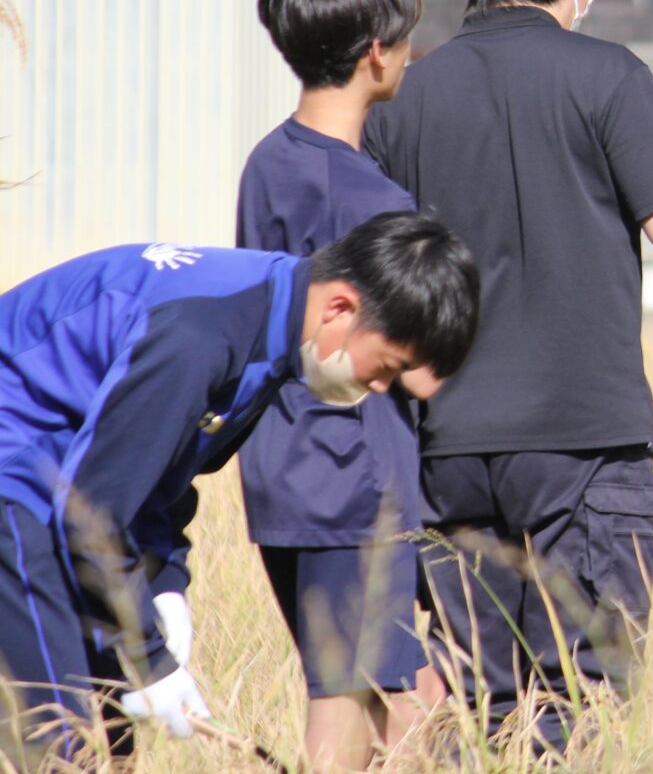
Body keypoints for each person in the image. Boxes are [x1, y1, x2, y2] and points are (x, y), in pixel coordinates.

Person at [362, 0, 653, 743]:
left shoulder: (406, 94)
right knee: (586, 695)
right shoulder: (607, 74)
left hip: (447, 443)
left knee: (479, 700)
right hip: (584, 443)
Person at [0, 214, 478, 766]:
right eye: (387, 368)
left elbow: (160, 471)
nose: (378, 388)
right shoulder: (202, 333)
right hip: (19, 489)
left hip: (60, 491)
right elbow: (92, 515)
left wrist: (165, 580)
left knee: (114, 727)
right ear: (341, 308)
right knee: (62, 743)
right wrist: (149, 659)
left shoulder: (272, 320)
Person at [234, 0, 435, 769]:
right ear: (376, 54)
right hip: (353, 477)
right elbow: (418, 366)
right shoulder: (375, 200)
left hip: (281, 462)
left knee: (401, 698)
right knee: (362, 708)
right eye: (406, 37)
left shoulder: (267, 164)